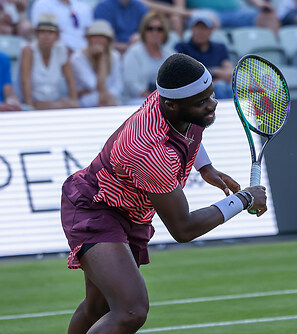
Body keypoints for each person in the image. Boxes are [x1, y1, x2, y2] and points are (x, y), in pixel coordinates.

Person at [61, 53, 267, 333]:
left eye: (210, 95)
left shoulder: (175, 102)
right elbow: (184, 228)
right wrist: (243, 199)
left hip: (130, 212)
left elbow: (187, 127)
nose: (213, 105)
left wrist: (205, 167)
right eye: (202, 102)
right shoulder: (149, 152)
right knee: (131, 310)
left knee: (99, 308)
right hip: (96, 207)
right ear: (169, 105)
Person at [20, 13, 79, 109]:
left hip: (55, 101)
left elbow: (70, 80)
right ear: (37, 35)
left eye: (50, 33)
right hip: (36, 102)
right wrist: (30, 108)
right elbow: (25, 81)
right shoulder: (28, 51)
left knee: (73, 105)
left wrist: (74, 101)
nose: (46, 36)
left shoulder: (61, 50)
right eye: (42, 32)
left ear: (57, 36)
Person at [175, 10, 233, 99]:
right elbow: (185, 76)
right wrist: (215, 72)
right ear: (192, 28)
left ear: (211, 30)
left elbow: (229, 74)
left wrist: (211, 73)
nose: (200, 31)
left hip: (216, 88)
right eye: (197, 27)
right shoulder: (182, 48)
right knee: (219, 86)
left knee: (221, 87)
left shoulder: (220, 47)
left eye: (204, 28)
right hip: (192, 91)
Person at [123, 11, 175, 105]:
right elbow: (131, 83)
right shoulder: (133, 52)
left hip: (164, 101)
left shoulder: (170, 54)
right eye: (150, 28)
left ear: (165, 32)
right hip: (137, 101)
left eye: (159, 29)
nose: (154, 32)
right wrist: (150, 97)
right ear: (144, 31)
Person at [70, 19, 123, 107]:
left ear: (108, 40)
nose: (98, 40)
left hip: (109, 97)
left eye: (102, 37)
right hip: (85, 100)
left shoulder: (115, 56)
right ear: (88, 39)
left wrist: (108, 94)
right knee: (104, 99)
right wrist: (101, 59)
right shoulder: (78, 58)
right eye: (94, 36)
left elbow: (118, 85)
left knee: (108, 100)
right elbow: (94, 85)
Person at [186, 0, 281, 34]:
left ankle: (273, 59)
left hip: (237, 10)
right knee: (209, 21)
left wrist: (260, 4)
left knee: (269, 16)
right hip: (207, 12)